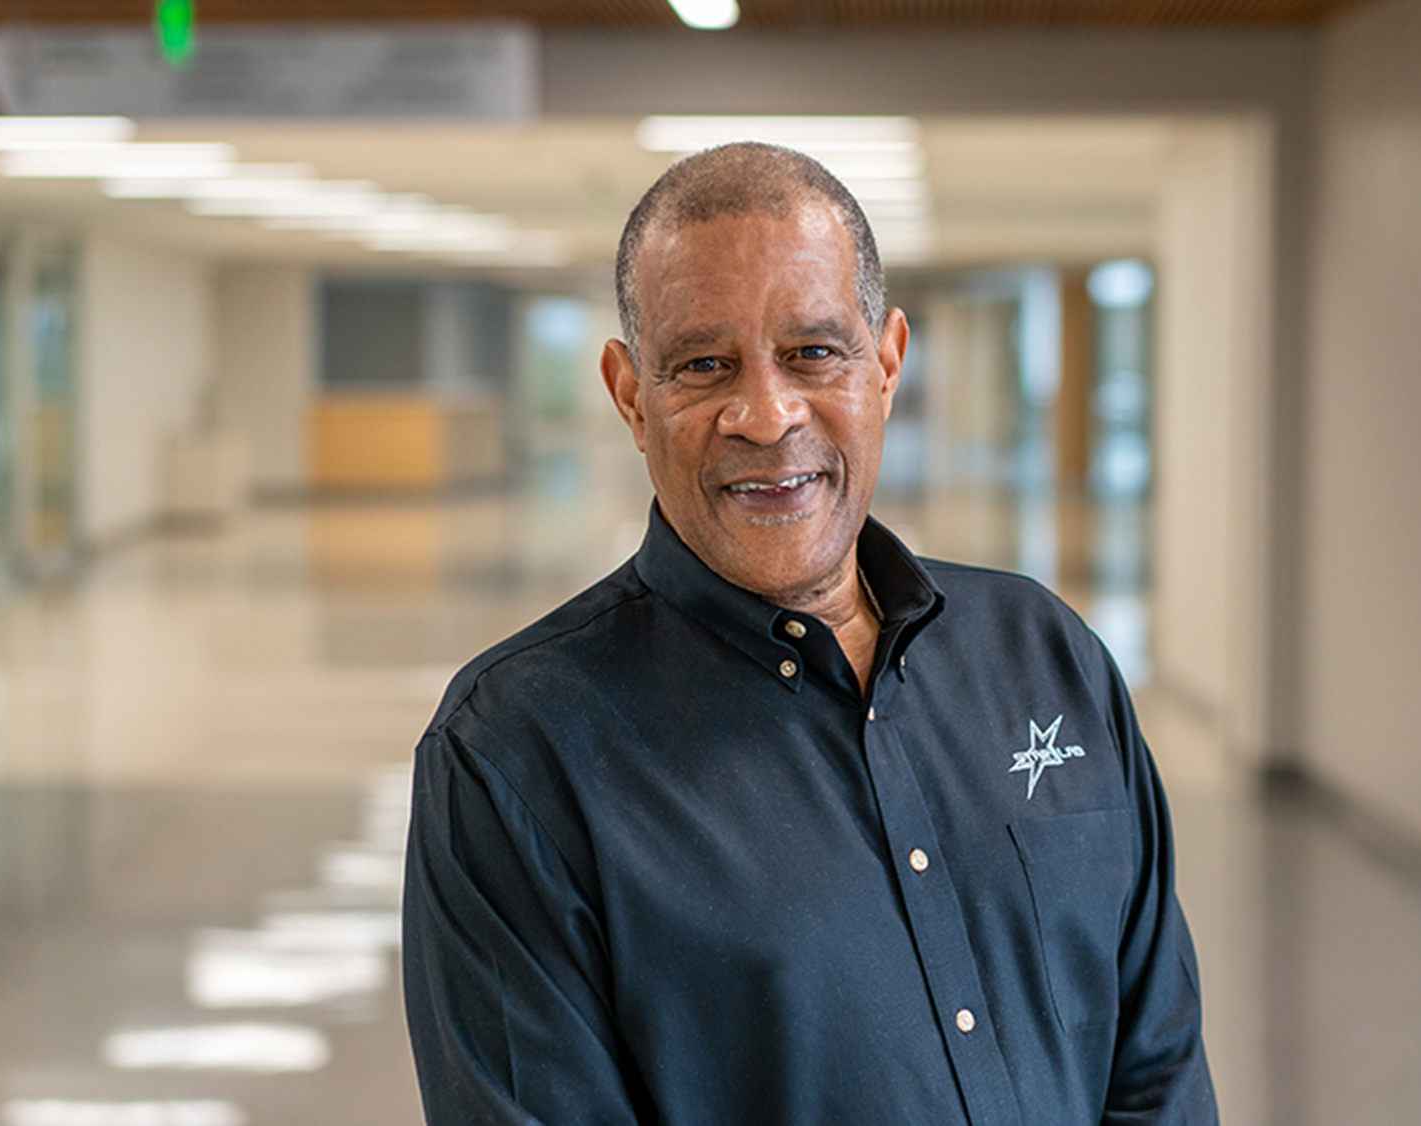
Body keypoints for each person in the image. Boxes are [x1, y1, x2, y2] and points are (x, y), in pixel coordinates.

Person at [402, 142, 1215, 1125]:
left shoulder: (1041, 654)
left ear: (885, 362)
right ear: (628, 394)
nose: (765, 413)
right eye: (702, 365)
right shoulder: (515, 754)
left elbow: (1157, 1063)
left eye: (812, 352)